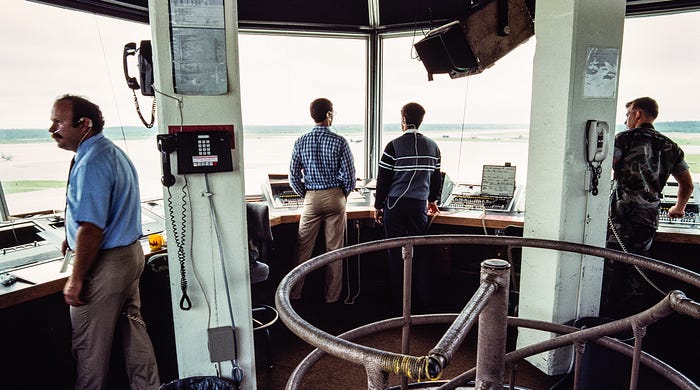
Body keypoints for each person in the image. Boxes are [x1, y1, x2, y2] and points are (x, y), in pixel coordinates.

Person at [50, 94, 159, 389]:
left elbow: (92, 229)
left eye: (58, 123)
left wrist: (76, 278)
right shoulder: (111, 152)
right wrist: (70, 237)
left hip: (105, 265)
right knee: (133, 331)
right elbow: (97, 216)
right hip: (131, 255)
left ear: (83, 124)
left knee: (89, 349)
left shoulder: (91, 162)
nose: (52, 130)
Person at [604, 96, 694, 316]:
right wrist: (678, 208)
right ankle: (632, 325)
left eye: (627, 115)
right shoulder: (670, 147)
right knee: (638, 270)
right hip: (647, 216)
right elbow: (687, 185)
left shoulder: (623, 139)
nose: (626, 121)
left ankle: (604, 323)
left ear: (638, 114)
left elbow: (605, 167)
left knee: (610, 269)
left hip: (619, 215)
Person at [374, 102, 442, 311]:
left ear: (403, 120)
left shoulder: (392, 146)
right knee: (417, 255)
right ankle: (418, 305)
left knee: (396, 255)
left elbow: (383, 180)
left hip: (395, 205)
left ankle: (397, 306)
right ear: (421, 121)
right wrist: (433, 200)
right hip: (419, 206)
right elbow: (436, 179)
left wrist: (378, 206)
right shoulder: (433, 147)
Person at [289, 98, 356, 303]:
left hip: (311, 197)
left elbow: (293, 175)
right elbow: (350, 176)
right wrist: (342, 193)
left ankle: (294, 295)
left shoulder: (301, 141)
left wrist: (306, 194)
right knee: (334, 251)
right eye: (332, 112)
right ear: (328, 114)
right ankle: (332, 299)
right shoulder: (339, 141)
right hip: (335, 196)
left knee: (303, 249)